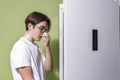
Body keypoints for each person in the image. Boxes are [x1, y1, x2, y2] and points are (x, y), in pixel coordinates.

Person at [10, 11, 53, 80]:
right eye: (41, 28)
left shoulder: (35, 47)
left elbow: (48, 68)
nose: (44, 33)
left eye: (45, 30)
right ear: (30, 26)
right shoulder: (21, 47)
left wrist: (47, 46)